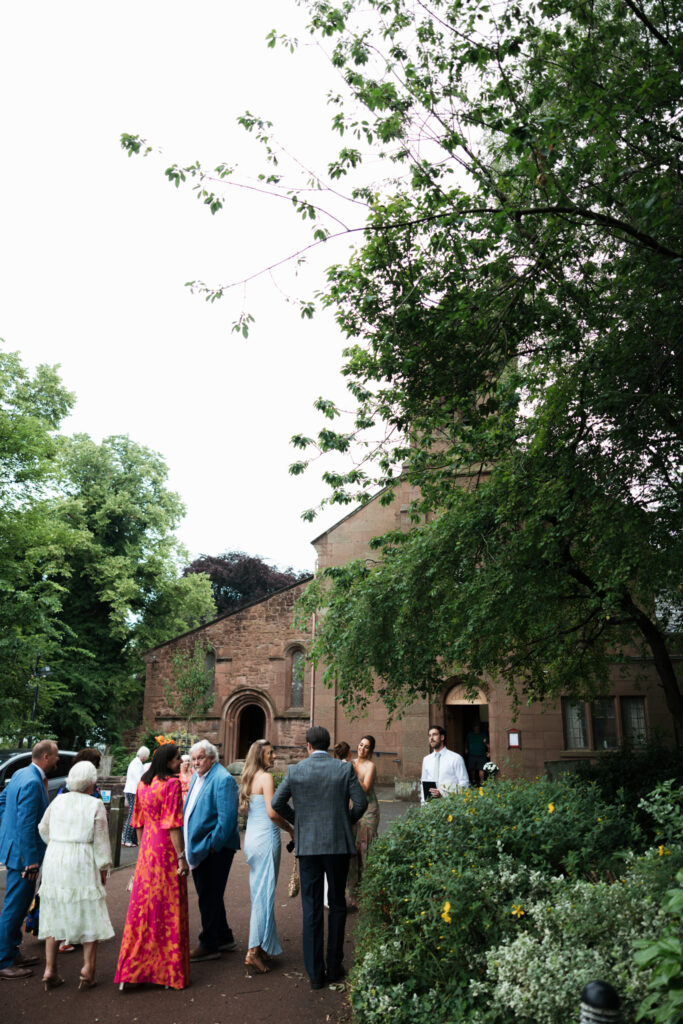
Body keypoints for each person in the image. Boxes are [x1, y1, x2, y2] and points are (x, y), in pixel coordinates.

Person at [272, 725, 367, 990]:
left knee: (311, 908)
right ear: (327, 745)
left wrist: (299, 822)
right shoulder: (343, 768)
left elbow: (277, 804)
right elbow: (361, 804)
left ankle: (315, 974)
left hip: (309, 847)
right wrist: (343, 821)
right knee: (337, 904)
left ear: (308, 746)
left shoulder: (295, 771)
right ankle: (334, 967)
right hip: (337, 846)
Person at [114, 743, 190, 990]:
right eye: (178, 759)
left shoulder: (143, 784)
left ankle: (132, 968)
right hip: (165, 849)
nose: (180, 762)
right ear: (167, 761)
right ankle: (166, 971)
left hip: (147, 846)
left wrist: (142, 853)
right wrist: (181, 856)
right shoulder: (171, 784)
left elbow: (136, 822)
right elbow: (173, 824)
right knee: (167, 906)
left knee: (141, 908)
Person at [37, 761, 114, 990]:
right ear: (92, 781)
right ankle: (87, 970)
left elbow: (43, 828)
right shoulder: (95, 804)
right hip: (82, 858)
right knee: (89, 909)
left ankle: (50, 969)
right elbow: (101, 843)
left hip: (55, 857)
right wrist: (103, 870)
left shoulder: (58, 800)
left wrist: (56, 845)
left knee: (53, 909)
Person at [0, 739, 59, 980]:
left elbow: (3, 801)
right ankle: (4, 961)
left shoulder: (20, 774)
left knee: (19, 905)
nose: (57, 760)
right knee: (14, 908)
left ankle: (13, 952)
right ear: (45, 757)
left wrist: (7, 829)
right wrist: (31, 860)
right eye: (55, 756)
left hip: (14, 849)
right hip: (24, 856)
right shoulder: (33, 782)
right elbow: (26, 823)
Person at [238, 740, 294, 974]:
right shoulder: (266, 778)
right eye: (270, 753)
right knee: (264, 894)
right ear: (260, 756)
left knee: (259, 892)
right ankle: (252, 950)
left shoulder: (249, 777)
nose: (274, 756)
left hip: (251, 838)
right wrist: (290, 828)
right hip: (266, 839)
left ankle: (261, 945)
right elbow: (272, 813)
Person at [183, 739, 240, 963]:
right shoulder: (199, 777)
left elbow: (226, 821)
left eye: (201, 758)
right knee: (212, 894)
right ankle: (224, 937)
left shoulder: (223, 778)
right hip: (201, 846)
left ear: (212, 758)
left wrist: (212, 847)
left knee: (208, 895)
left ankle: (208, 944)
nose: (196, 762)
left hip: (215, 849)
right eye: (194, 758)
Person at [55, 748, 104, 953]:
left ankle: (65, 935)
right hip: (82, 850)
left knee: (67, 893)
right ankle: (72, 939)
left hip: (62, 851)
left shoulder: (63, 791)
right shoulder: (87, 792)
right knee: (79, 893)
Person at [346, 735, 380, 908]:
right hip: (352, 808)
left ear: (371, 750)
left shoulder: (370, 766)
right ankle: (352, 895)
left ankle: (369, 895)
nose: (362, 749)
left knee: (366, 849)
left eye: (367, 747)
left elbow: (365, 788)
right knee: (351, 850)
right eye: (360, 745)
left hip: (368, 810)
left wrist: (352, 773)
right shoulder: (349, 763)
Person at [420, 725, 469, 803]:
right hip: (430, 805)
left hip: (449, 804)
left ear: (442, 737)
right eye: (429, 735)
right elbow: (423, 783)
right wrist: (423, 804)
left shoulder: (456, 758)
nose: (431, 738)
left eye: (434, 735)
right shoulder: (426, 759)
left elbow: (464, 783)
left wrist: (444, 794)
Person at [121, 746, 150, 847]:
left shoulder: (135, 762)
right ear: (145, 755)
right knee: (132, 814)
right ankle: (126, 838)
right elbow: (140, 778)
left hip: (132, 790)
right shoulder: (137, 764)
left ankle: (131, 839)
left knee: (134, 814)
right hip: (133, 791)